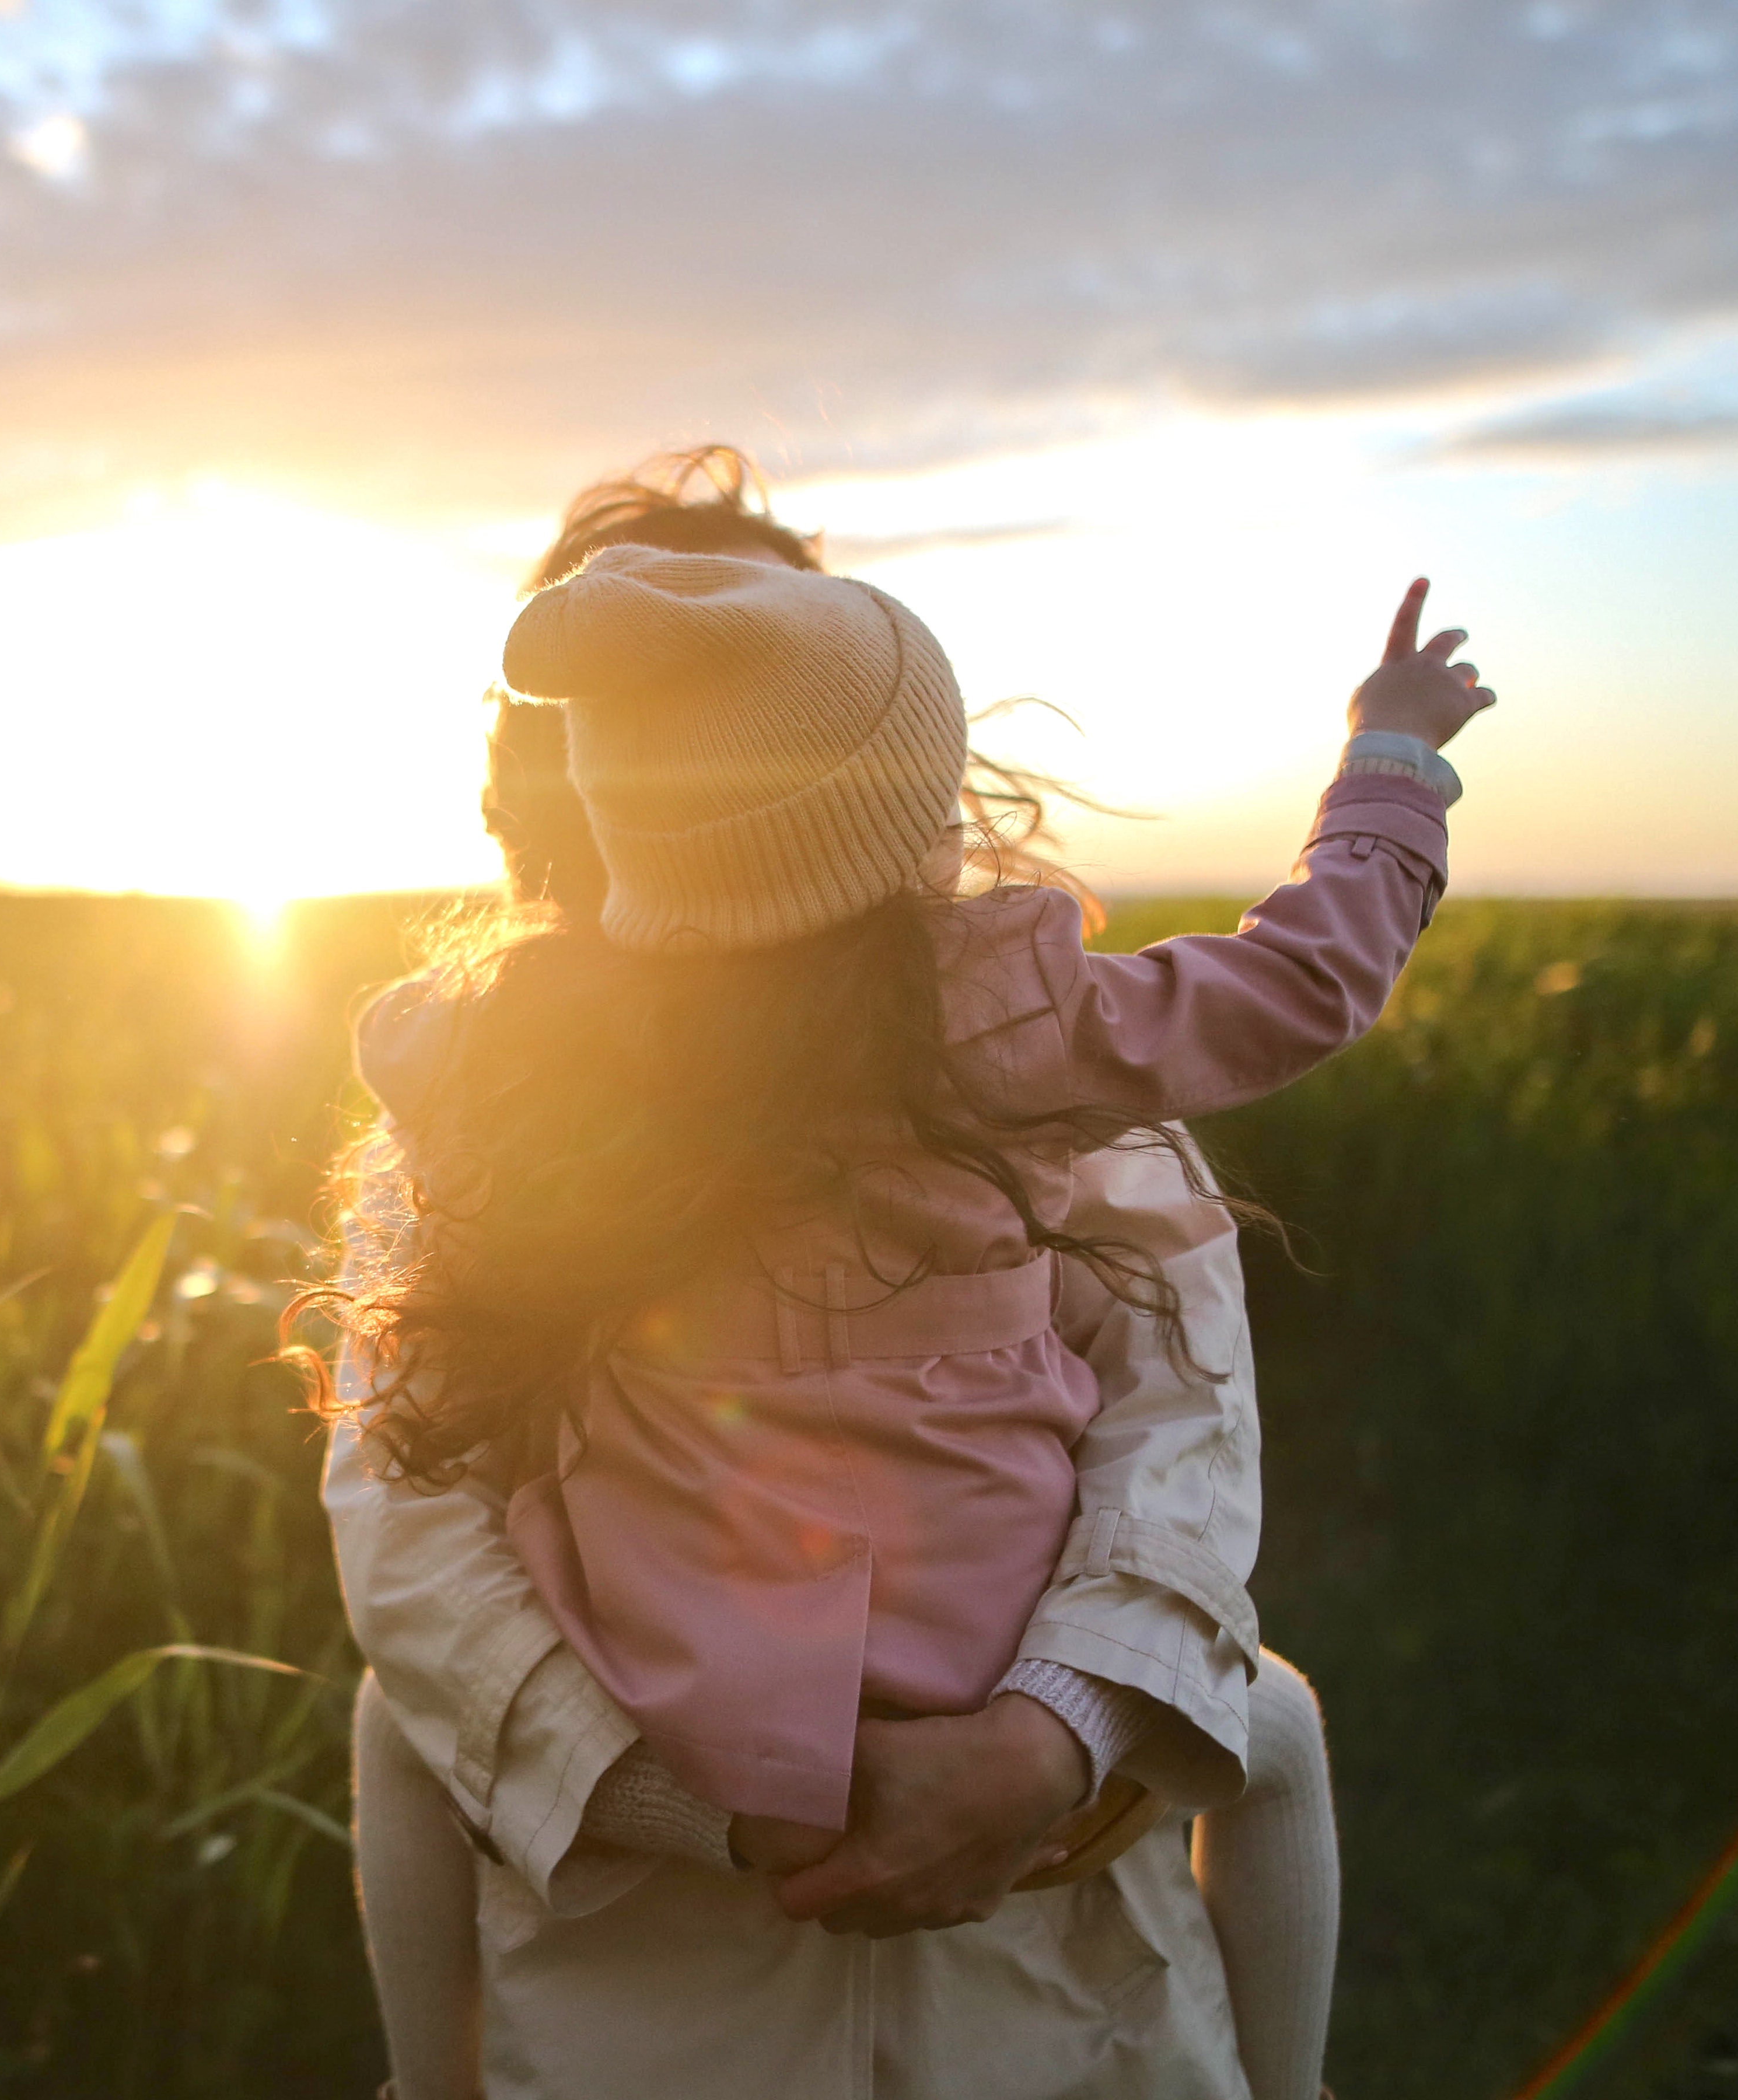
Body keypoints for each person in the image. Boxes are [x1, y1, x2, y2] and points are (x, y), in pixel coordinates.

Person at [310, 450, 1481, 2096]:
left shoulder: (512, 1069)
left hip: (1057, 1971)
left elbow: (1181, 1427)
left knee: (1261, 1716)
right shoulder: (1012, 1037)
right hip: (640, 1980)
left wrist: (1045, 1741)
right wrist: (1392, 770)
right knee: (1270, 1722)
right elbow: (409, 1513)